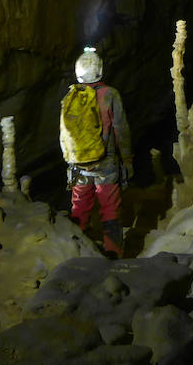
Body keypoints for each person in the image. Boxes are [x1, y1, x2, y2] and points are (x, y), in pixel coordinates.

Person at [60, 46, 133, 257]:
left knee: (79, 210)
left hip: (79, 164)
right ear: (101, 70)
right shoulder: (110, 94)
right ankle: (113, 255)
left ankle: (78, 254)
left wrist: (71, 162)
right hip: (106, 164)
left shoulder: (69, 98)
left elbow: (64, 135)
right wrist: (127, 159)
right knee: (109, 209)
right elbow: (121, 129)